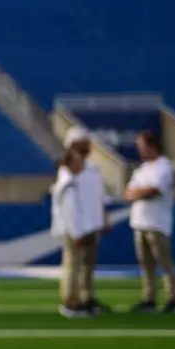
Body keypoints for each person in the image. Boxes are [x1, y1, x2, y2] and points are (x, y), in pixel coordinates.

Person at [125, 131, 175, 313]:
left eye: (142, 146)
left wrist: (140, 192)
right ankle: (149, 298)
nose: (140, 150)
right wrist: (140, 192)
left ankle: (172, 298)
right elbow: (129, 192)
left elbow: (153, 191)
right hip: (140, 222)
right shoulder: (142, 169)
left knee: (164, 262)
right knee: (145, 264)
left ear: (152, 146)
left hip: (157, 223)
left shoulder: (164, 167)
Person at [62, 127, 110, 313]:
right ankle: (70, 300)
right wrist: (75, 228)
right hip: (77, 224)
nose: (89, 145)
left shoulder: (91, 167)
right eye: (85, 141)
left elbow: (100, 196)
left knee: (88, 265)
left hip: (92, 223)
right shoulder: (68, 169)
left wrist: (104, 218)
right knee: (73, 264)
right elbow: (69, 202)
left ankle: (86, 297)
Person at [52, 148, 96, 318]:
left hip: (70, 229)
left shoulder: (66, 181)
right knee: (72, 267)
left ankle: (72, 300)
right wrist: (77, 233)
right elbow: (71, 212)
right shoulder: (68, 184)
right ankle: (71, 302)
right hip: (72, 231)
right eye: (78, 161)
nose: (81, 164)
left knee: (72, 266)